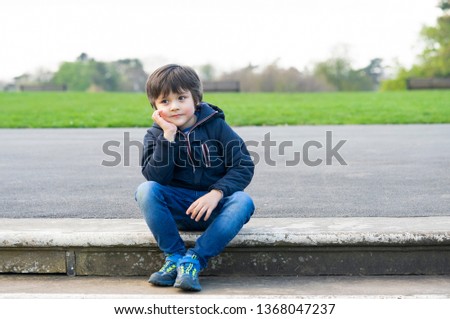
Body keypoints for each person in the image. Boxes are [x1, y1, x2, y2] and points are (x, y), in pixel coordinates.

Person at [135, 64, 255, 292]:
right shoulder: (155, 135)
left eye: (181, 98)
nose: (174, 107)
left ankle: (194, 260)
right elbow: (155, 177)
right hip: (179, 208)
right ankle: (175, 257)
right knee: (146, 190)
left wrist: (216, 193)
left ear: (196, 99)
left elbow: (243, 164)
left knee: (243, 201)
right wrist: (168, 137)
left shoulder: (217, 127)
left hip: (214, 207)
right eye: (165, 101)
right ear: (155, 107)